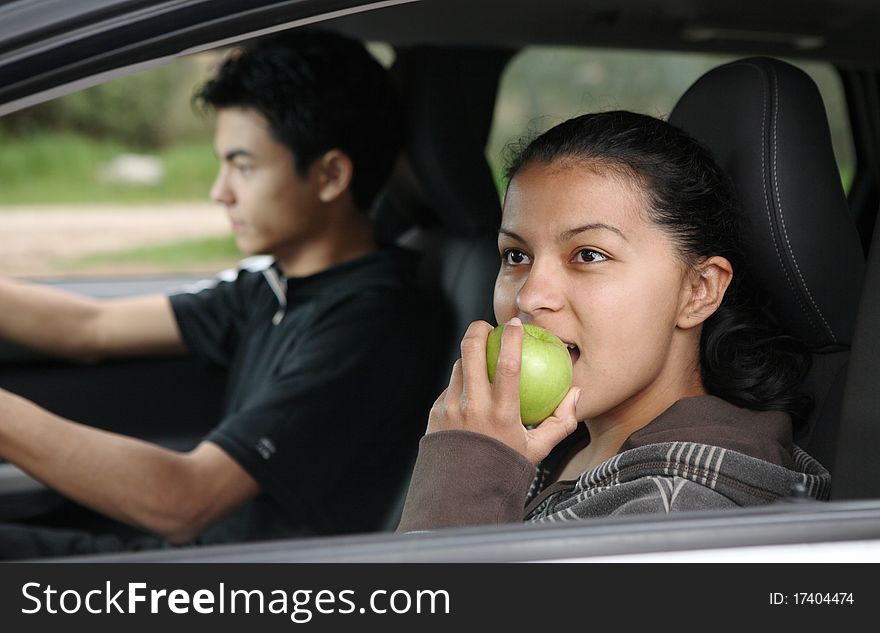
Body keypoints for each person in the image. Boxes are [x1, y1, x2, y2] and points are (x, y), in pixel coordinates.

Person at [0, 29, 446, 558]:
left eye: (244, 166)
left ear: (330, 175)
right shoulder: (274, 286)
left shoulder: (373, 323)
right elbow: (88, 329)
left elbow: (183, 501)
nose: (220, 191)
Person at [397, 111, 830, 531]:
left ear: (698, 290)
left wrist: (466, 466)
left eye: (589, 255)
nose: (530, 297)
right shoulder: (554, 441)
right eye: (517, 255)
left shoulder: (674, 518)